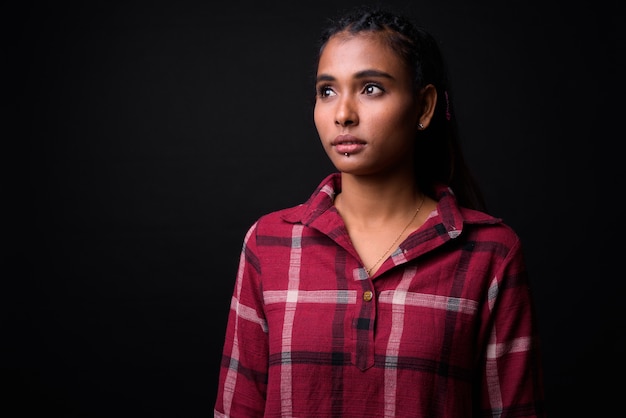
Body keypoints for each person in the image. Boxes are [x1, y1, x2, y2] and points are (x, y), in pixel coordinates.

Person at [214, 4, 546, 417]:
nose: (343, 114)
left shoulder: (491, 253)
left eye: (371, 88)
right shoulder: (269, 242)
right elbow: (236, 410)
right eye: (327, 91)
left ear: (424, 107)